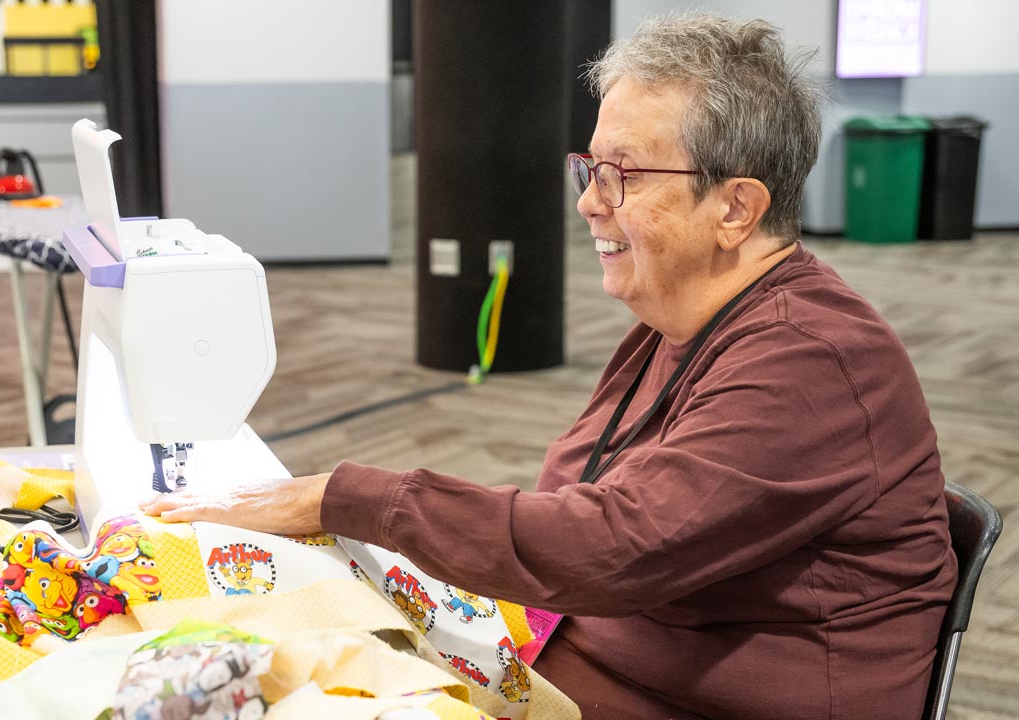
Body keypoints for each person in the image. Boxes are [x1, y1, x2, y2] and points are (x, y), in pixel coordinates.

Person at [142, 13, 957, 720]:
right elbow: (573, 504)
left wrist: (345, 497)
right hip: (605, 661)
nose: (590, 202)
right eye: (591, 167)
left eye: (624, 174)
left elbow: (607, 548)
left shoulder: (812, 360)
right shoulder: (686, 320)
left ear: (736, 208)